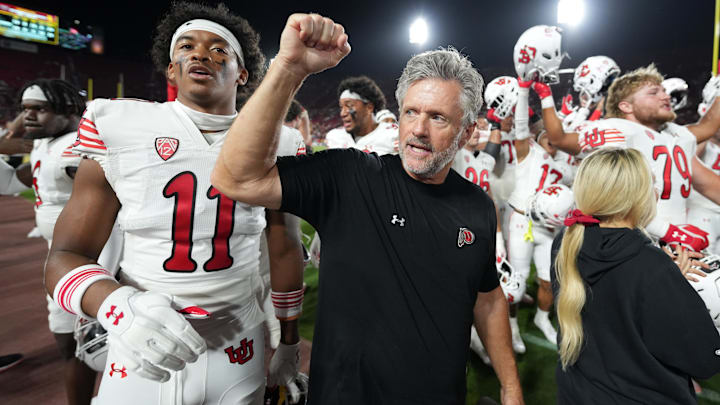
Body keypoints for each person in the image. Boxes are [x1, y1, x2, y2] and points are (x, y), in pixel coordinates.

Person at [211, 13, 524, 404]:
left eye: (438, 117)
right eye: (411, 112)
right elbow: (235, 178)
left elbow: (488, 297)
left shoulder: (477, 205)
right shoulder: (351, 176)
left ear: (468, 132)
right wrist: (288, 70)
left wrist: (510, 386)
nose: (419, 130)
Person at [43, 2, 305, 404]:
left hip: (238, 342)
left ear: (244, 73)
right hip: (144, 341)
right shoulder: (118, 124)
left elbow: (285, 248)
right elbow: (66, 255)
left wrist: (288, 343)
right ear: (170, 69)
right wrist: (118, 306)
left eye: (220, 49)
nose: (200, 53)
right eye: (185, 47)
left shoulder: (281, 143)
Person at [551, 147, 720, 404]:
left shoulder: (565, 242)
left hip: (578, 393)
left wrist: (669, 281)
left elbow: (614, 295)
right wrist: (682, 292)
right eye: (650, 185)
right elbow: (706, 361)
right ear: (635, 197)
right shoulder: (652, 268)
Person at [0, 79, 122, 405]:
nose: (28, 116)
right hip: (61, 263)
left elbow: (117, 198)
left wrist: (108, 272)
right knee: (71, 347)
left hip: (90, 265)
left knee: (102, 351)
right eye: (24, 110)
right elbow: (9, 182)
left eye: (39, 109)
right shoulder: (45, 144)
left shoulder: (73, 148)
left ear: (68, 111)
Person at [532, 65, 720, 250]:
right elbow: (559, 138)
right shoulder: (618, 130)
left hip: (675, 243)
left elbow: (709, 130)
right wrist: (545, 96)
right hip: (634, 244)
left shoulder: (677, 135)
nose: (665, 96)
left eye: (664, 91)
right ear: (626, 106)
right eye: (653, 92)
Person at [324, 75, 398, 154]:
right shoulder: (334, 137)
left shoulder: (394, 135)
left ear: (369, 107)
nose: (343, 113)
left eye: (349, 106)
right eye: (341, 107)